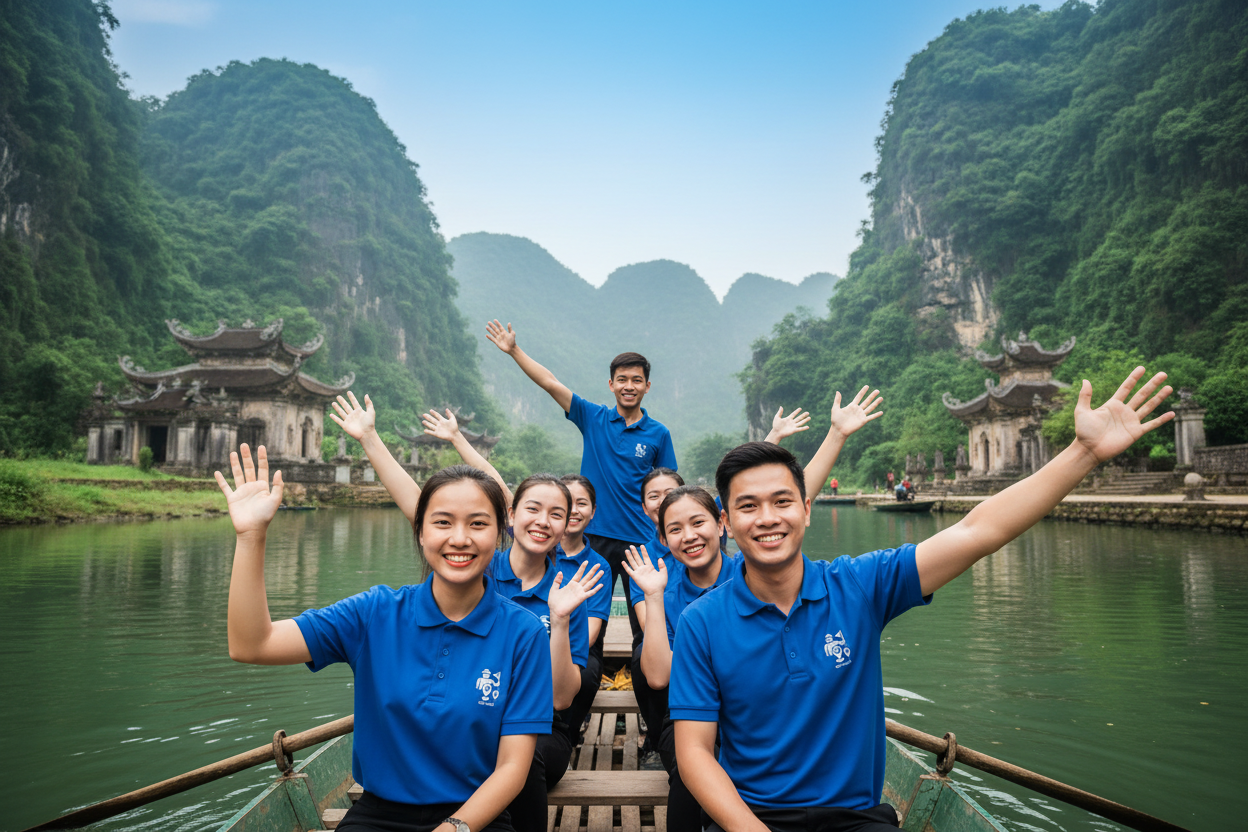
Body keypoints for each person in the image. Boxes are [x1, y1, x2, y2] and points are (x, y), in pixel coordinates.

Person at [669, 367, 1173, 832]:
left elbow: (980, 530)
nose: (767, 518)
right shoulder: (702, 621)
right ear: (728, 524)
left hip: (857, 818)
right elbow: (694, 752)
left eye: (781, 501)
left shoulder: (859, 586)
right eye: (748, 507)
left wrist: (1082, 453)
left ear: (806, 509)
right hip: (753, 816)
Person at [215, 445, 553, 832]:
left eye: (478, 524)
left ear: (499, 533)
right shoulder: (374, 613)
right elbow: (252, 645)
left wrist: (454, 828)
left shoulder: (523, 633)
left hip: (475, 817)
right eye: (442, 522)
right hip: (378, 815)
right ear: (420, 530)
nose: (459, 539)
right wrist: (250, 536)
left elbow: (513, 768)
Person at [485, 320, 676, 624]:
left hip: (640, 539)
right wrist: (514, 351)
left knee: (649, 619)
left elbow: (669, 491)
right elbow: (551, 383)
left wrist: (668, 533)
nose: (630, 386)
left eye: (637, 380)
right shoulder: (593, 417)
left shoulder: (658, 433)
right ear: (611, 384)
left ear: (647, 386)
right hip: (591, 536)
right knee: (580, 614)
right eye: (622, 379)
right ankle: (580, 669)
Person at [554, 474, 613, 741]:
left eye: (582, 503)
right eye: (567, 502)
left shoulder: (598, 565)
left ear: (593, 512)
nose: (574, 510)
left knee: (586, 672)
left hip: (576, 646)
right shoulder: (535, 552)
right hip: (532, 640)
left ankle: (565, 736)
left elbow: (589, 634)